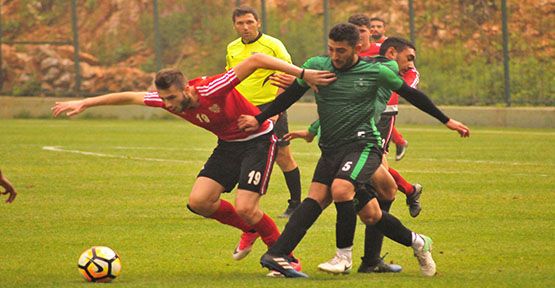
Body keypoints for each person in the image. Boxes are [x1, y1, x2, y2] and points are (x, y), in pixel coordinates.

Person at [51, 53, 336, 269]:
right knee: (200, 202)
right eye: (164, 99)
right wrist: (85, 103)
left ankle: (285, 257)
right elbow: (130, 96)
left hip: (258, 141)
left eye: (172, 97)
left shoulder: (212, 89)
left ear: (186, 89)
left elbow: (257, 59)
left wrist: (303, 73)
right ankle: (249, 229)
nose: (169, 104)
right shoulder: (167, 101)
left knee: (247, 207)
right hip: (228, 146)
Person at [238, 23, 469, 278]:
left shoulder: (376, 71)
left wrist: (446, 120)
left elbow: (412, 95)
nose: (335, 56)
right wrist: (260, 118)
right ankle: (417, 242)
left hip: (363, 145)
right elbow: (290, 95)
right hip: (331, 149)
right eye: (331, 49)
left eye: (341, 51)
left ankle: (343, 257)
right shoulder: (319, 65)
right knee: (360, 211)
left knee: (341, 189)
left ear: (358, 48)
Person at [226, 6, 302, 219]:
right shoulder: (232, 47)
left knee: (282, 154)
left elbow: (287, 74)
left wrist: (277, 107)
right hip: (242, 108)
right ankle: (212, 198)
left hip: (270, 106)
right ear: (234, 26)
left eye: (250, 22)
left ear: (258, 23)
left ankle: (296, 203)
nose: (245, 27)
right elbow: (231, 76)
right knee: (234, 150)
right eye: (240, 23)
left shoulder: (272, 45)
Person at [367, 16, 410, 161]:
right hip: (368, 100)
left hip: (388, 102)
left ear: (384, 29)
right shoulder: (363, 48)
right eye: (372, 26)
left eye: (379, 26)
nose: (375, 29)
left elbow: (410, 69)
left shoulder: (393, 49)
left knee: (377, 155)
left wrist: (406, 88)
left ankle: (400, 142)